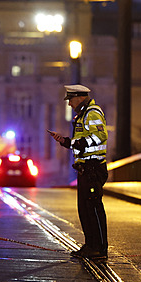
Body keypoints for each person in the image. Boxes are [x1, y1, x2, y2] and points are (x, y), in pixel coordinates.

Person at [48, 84, 108, 259]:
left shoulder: (92, 113)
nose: (69, 104)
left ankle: (99, 249)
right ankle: (90, 245)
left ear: (80, 97)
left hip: (93, 168)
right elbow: (81, 142)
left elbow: (101, 136)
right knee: (85, 209)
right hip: (85, 169)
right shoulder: (82, 115)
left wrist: (82, 143)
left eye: (70, 100)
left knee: (93, 208)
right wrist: (67, 141)